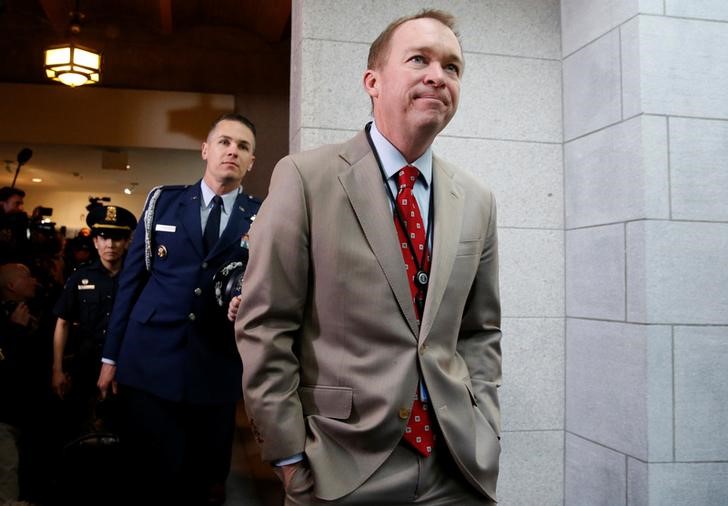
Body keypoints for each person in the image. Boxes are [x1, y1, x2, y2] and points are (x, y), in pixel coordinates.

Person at [235, 9, 502, 505]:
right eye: (419, 59)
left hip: (455, 467)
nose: (436, 76)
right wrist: (290, 458)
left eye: (452, 67)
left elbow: (479, 330)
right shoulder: (304, 178)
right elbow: (265, 324)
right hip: (340, 467)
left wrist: (485, 423)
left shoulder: (477, 199)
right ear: (372, 81)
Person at [97, 112, 261, 505]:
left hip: (215, 366)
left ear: (251, 161)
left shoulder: (262, 215)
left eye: (243, 146)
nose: (232, 151)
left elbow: (269, 285)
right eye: (224, 142)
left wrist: (249, 302)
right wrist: (110, 356)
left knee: (204, 480)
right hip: (149, 361)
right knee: (149, 476)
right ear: (206, 149)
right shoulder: (163, 202)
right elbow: (132, 283)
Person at [51, 204, 136, 437]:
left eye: (118, 237)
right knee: (77, 430)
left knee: (122, 433)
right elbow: (63, 322)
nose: (110, 244)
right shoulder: (81, 276)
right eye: (104, 237)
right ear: (95, 241)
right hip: (85, 366)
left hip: (125, 367)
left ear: (128, 241)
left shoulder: (138, 278)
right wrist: (57, 369)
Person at [0, 263, 54, 503]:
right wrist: (15, 331)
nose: (34, 281)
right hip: (7, 413)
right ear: (11, 286)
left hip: (33, 411)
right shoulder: (8, 322)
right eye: (27, 277)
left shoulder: (35, 311)